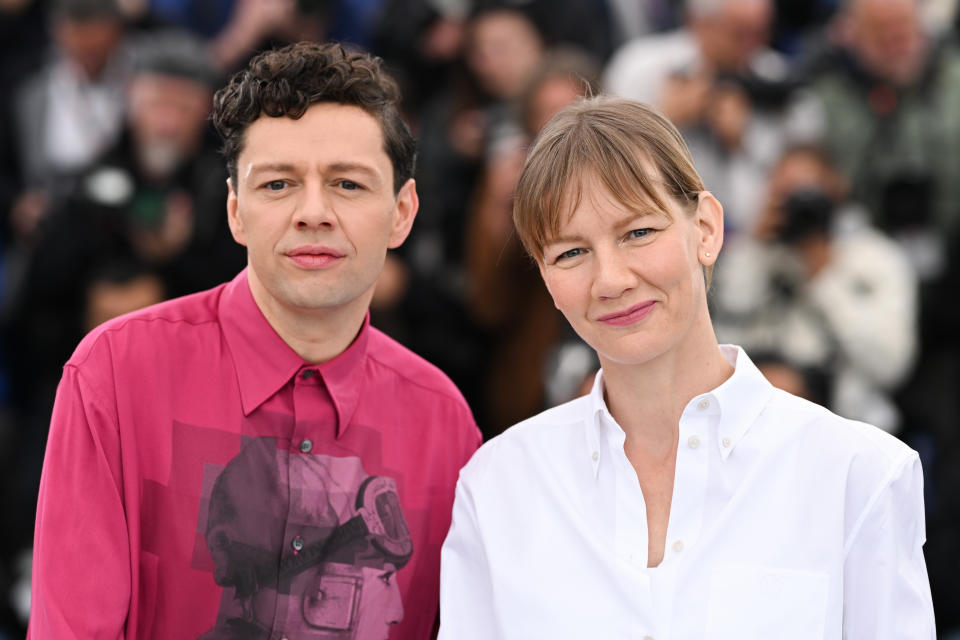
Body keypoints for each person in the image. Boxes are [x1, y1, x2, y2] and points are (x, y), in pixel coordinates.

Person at [28, 41, 481, 639]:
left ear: (403, 212)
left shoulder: (444, 423)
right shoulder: (115, 372)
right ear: (236, 212)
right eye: (277, 185)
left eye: (348, 184)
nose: (313, 212)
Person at [439, 96, 935, 639]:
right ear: (544, 277)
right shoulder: (498, 486)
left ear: (706, 228)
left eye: (638, 233)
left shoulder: (858, 474)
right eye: (571, 253)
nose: (610, 280)